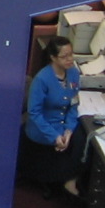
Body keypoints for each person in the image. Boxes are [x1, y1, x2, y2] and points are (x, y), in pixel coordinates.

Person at [20, 36, 84, 199]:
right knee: (72, 144)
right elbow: (34, 113)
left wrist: (68, 130)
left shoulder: (74, 74)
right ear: (53, 58)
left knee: (82, 137)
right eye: (64, 56)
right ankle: (64, 179)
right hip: (43, 127)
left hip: (63, 124)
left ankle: (71, 178)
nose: (70, 59)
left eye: (71, 54)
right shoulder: (42, 79)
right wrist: (55, 136)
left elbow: (73, 105)